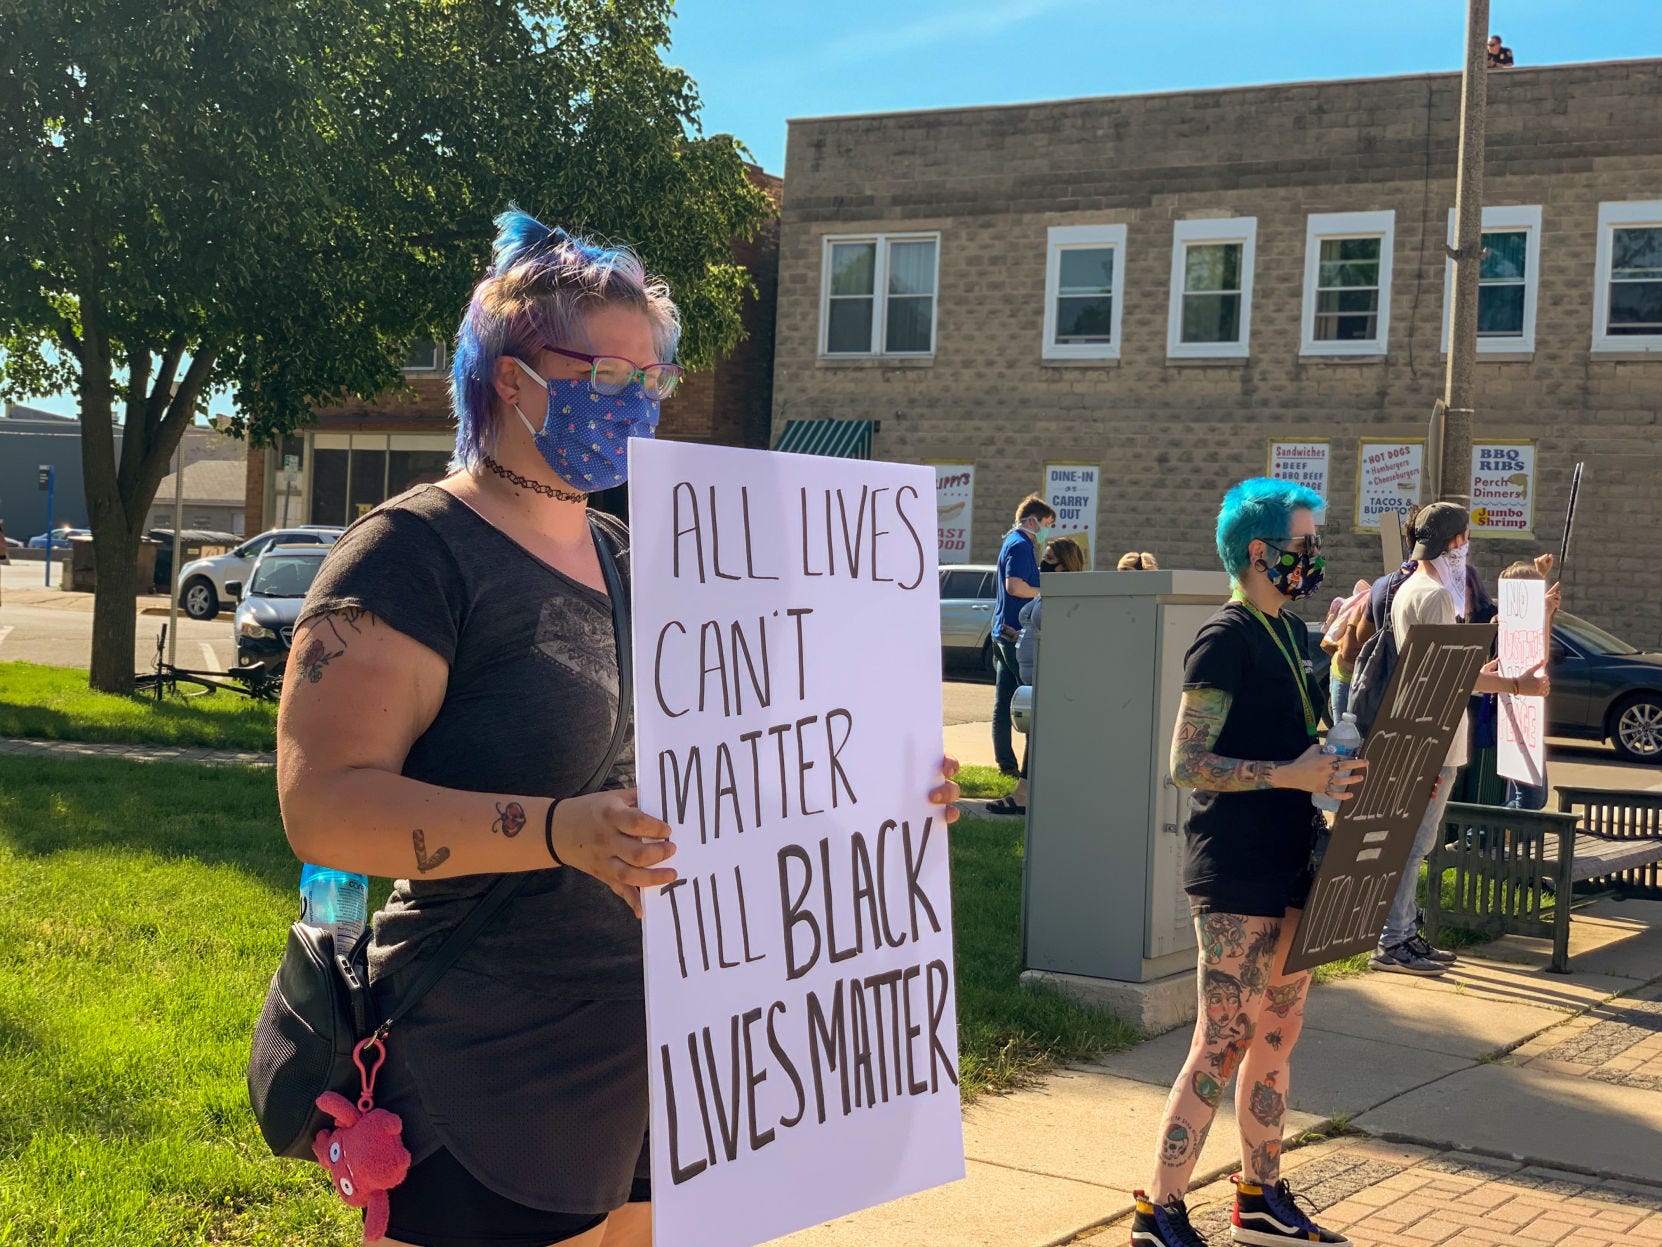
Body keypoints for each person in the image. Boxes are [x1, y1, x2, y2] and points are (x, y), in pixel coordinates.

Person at [276, 210, 963, 1247]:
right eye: (605, 374)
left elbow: (732, 766)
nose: (637, 399)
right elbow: (322, 806)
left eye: (653, 378)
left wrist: (884, 791)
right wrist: (558, 829)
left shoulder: (643, 559)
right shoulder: (410, 556)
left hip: (662, 1065)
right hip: (483, 1070)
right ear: (509, 377)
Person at [1130, 478, 1364, 1247]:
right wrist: (1290, 774)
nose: (1315, 555)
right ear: (1261, 551)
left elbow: (1307, 739)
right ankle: (1157, 1210)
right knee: (1223, 1038)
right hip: (1233, 869)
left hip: (1294, 859)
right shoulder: (1223, 637)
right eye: (1305, 543)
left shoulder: (1290, 636)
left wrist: (1341, 763)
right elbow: (1185, 761)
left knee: (1277, 1033)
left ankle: (1259, 1196)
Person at [1369, 503, 1549, 977]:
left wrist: (1483, 670)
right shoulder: (1432, 595)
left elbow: (1445, 669)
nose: (1467, 548)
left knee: (1415, 844)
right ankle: (1393, 939)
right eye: (1465, 539)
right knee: (1413, 845)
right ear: (1454, 542)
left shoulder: (1416, 590)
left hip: (1428, 730)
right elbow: (1444, 677)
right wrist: (1515, 685)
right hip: (1432, 735)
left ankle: (1403, 932)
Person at [989, 536, 1087, 816]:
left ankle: (1024, 795)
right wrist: (1020, 635)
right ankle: (1027, 792)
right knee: (1033, 731)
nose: (1044, 563)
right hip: (1032, 674)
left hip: (1049, 676)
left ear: (1066, 563)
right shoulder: (1048, 590)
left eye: (1051, 559)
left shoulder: (1070, 593)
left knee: (1037, 734)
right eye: (1044, 556)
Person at [992, 494, 1056, 782]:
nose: (1047, 530)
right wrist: (1048, 593)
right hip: (1013, 634)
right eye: (1047, 524)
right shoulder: (1019, 544)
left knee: (1005, 700)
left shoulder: (1016, 543)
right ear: (1032, 520)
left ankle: (1006, 764)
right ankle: (1029, 771)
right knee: (1030, 702)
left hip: (1002, 630)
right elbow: (1015, 586)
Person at [1499, 554, 1563, 812]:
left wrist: (1541, 579)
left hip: (1526, 718)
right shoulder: (1501, 625)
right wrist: (1544, 613)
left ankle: (1478, 840)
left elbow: (1535, 647)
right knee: (1530, 800)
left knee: (1534, 799)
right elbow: (1535, 653)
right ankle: (1471, 840)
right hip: (1514, 719)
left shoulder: (1513, 622)